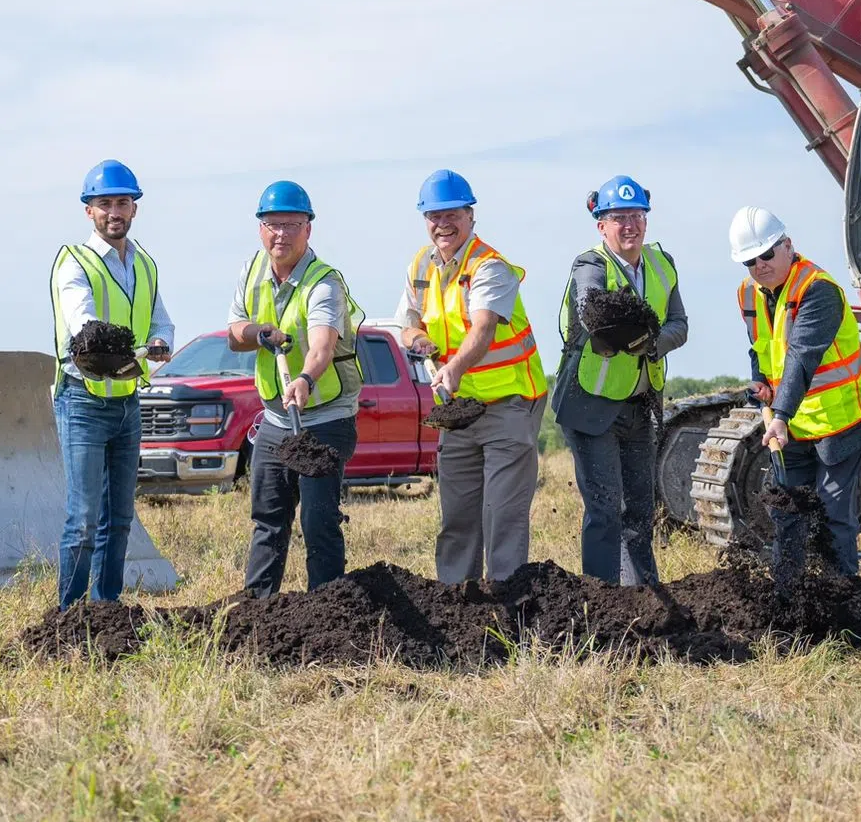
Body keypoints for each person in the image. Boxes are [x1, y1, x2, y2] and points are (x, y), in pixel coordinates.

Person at [395, 169, 548, 584]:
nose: (442, 224)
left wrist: (454, 368)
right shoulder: (420, 265)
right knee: (458, 520)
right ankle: (457, 607)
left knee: (501, 515)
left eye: (452, 214)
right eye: (433, 215)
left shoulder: (490, 267)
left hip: (509, 405)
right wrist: (417, 338)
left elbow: (482, 331)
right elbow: (406, 323)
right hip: (459, 412)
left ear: (470, 215)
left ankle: (508, 606)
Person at [226, 180, 361, 597]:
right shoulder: (252, 271)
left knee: (319, 522)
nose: (280, 233)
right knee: (268, 518)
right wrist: (258, 331)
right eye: (272, 224)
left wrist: (304, 378)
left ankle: (328, 610)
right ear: (260, 229)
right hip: (274, 419)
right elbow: (234, 333)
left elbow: (321, 345)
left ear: (308, 229)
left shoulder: (323, 283)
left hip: (325, 418)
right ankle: (256, 610)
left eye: (291, 224)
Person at [552, 175, 688, 585]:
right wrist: (634, 334)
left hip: (639, 404)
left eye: (637, 216)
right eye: (619, 218)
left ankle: (643, 594)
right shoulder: (590, 265)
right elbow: (597, 315)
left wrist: (650, 344)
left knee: (640, 510)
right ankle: (603, 600)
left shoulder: (662, 264)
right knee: (605, 509)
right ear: (602, 225)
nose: (630, 225)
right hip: (591, 403)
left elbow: (680, 325)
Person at [732, 206, 861, 576]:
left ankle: (843, 600)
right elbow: (761, 346)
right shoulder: (749, 293)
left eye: (767, 254)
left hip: (841, 419)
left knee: (832, 515)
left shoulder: (819, 290)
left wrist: (779, 415)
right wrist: (762, 383)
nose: (760, 265)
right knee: (788, 512)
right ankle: (789, 598)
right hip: (795, 424)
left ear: (787, 245)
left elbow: (802, 354)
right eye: (750, 261)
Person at [49, 159, 173, 610]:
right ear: (89, 211)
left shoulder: (146, 266)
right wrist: (104, 345)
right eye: (104, 204)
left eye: (123, 202)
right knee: (83, 518)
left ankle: (106, 611)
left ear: (135, 208)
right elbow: (82, 319)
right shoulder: (74, 262)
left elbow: (162, 321)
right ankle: (68, 614)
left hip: (126, 401)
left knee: (119, 518)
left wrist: (159, 342)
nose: (114, 211)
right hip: (82, 400)